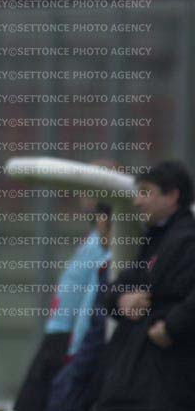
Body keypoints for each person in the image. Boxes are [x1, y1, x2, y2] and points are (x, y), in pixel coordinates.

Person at [94, 161, 195, 411]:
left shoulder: (186, 240)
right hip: (137, 378)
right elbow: (114, 289)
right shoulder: (155, 240)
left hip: (164, 380)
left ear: (172, 195)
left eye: (146, 192)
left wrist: (171, 327)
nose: (137, 202)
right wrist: (123, 300)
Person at [13, 202, 112, 411]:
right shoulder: (95, 240)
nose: (84, 197)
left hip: (70, 339)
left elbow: (90, 305)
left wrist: (75, 347)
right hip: (62, 334)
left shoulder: (108, 250)